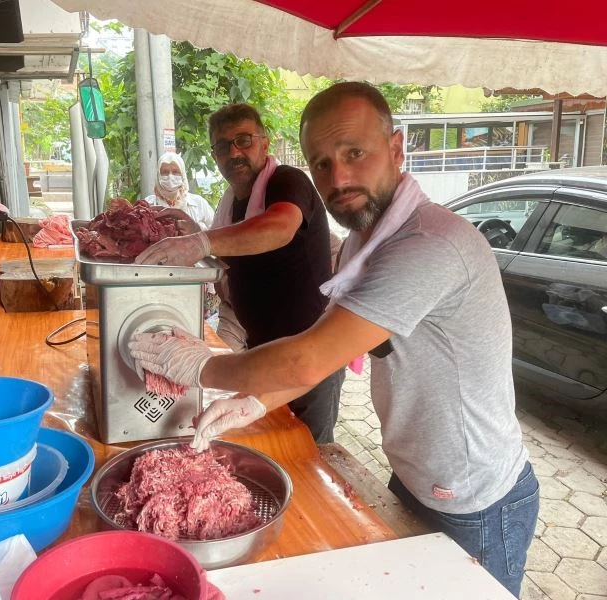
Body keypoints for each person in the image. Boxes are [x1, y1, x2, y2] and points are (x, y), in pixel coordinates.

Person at [129, 82, 539, 597]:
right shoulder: (366, 246)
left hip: (478, 499)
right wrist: (254, 400)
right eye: (321, 163)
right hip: (415, 477)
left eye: (354, 153)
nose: (337, 178)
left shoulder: (431, 244)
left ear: (396, 148)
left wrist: (204, 367)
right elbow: (327, 348)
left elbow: (305, 360)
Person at [135, 103, 345, 444]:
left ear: (265, 143)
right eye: (222, 146)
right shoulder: (232, 200)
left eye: (244, 140)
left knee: (309, 452)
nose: (234, 152)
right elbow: (237, 245)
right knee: (270, 440)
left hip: (310, 352)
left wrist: (200, 242)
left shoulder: (286, 181)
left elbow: (279, 227)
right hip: (263, 351)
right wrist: (197, 232)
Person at [143, 152, 214, 230]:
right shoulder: (148, 204)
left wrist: (199, 229)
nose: (170, 176)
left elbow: (215, 232)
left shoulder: (199, 203)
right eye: (165, 172)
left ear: (183, 174)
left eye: (175, 172)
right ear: (158, 176)